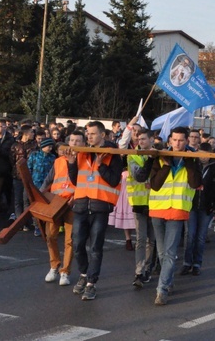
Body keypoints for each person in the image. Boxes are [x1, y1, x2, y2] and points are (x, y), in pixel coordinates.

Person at [137, 126, 202, 306]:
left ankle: (162, 289)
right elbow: (155, 185)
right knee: (161, 251)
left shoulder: (192, 158)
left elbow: (195, 182)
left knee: (170, 253)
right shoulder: (160, 157)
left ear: (187, 141)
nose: (177, 143)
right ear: (170, 140)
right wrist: (165, 166)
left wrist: (190, 162)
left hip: (178, 209)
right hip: (158, 208)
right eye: (175, 140)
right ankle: (168, 280)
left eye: (181, 140)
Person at [67, 121, 123, 301]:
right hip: (82, 204)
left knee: (96, 247)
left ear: (102, 135)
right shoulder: (82, 152)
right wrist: (71, 164)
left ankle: (91, 283)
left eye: (92, 133)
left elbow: (114, 180)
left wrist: (100, 165)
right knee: (77, 244)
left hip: (100, 206)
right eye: (87, 133)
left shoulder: (112, 154)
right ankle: (84, 274)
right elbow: (76, 180)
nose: (89, 136)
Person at [40, 131, 83, 286]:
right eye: (72, 140)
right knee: (50, 235)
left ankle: (65, 271)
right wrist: (40, 196)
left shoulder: (83, 160)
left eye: (78, 141)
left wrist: (76, 195)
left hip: (72, 202)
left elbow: (85, 182)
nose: (75, 143)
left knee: (70, 239)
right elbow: (49, 179)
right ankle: (54, 265)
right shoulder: (58, 161)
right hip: (56, 202)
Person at [181, 142, 215, 276]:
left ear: (211, 154)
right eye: (201, 154)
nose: (203, 157)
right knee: (190, 235)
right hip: (192, 204)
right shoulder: (193, 164)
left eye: (206, 155)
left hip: (207, 206)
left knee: (200, 237)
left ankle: (197, 264)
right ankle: (186, 263)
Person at [126, 128, 156, 289]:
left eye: (144, 139)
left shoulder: (158, 154)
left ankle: (148, 269)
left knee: (152, 239)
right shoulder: (133, 155)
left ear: (152, 139)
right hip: (139, 201)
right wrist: (150, 160)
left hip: (156, 201)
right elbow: (139, 175)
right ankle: (139, 271)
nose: (141, 142)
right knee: (141, 239)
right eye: (139, 139)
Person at [27, 137, 57, 237]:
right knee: (36, 207)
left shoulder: (52, 158)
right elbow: (29, 168)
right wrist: (29, 182)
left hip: (47, 186)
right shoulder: (34, 155)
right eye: (48, 146)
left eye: (51, 146)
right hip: (35, 184)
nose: (50, 148)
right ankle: (37, 226)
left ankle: (45, 226)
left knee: (46, 207)